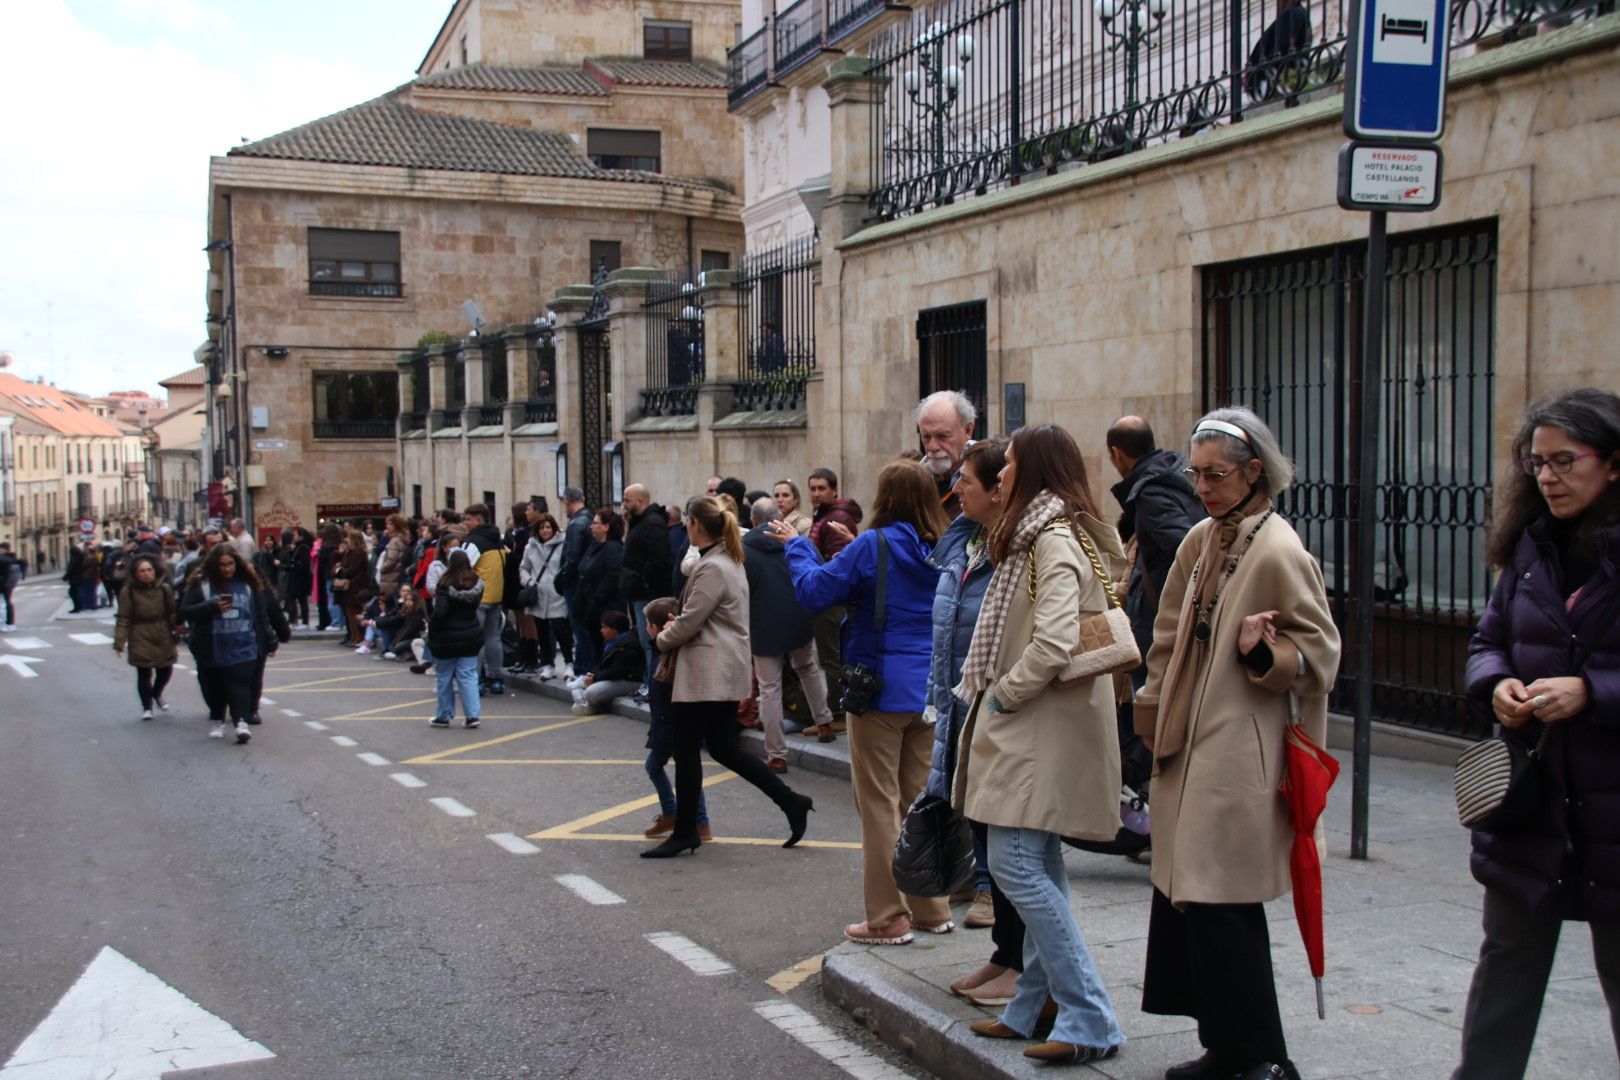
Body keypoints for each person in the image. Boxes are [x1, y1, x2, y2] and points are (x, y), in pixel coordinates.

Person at [1135, 406, 1342, 1080]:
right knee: (1194, 902)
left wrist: (1265, 653)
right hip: (1188, 744)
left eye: (1216, 474)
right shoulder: (1204, 536)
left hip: (1236, 751)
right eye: (1196, 474)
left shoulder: (1280, 549)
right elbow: (1168, 630)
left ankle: (1263, 1058)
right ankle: (1227, 1048)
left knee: (1223, 904)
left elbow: (1322, 654)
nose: (1203, 486)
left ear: (1256, 471)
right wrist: (1150, 704)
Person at [1451, 388, 1620, 1080]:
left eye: (1564, 461)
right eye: (1536, 463)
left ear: (1612, 463)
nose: (1547, 477)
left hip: (1613, 809)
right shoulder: (1530, 548)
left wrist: (1593, 692)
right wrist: (1497, 687)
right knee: (1507, 968)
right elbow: (1488, 640)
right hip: (1533, 802)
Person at [950, 425, 1127, 1064]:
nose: (999, 476)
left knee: (1017, 866)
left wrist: (1001, 696)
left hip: (1036, 727)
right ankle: (1031, 1008)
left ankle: (1091, 1018)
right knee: (1037, 862)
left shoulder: (1048, 538)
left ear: (1034, 474)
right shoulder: (1035, 536)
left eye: (1010, 466)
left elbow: (1052, 643)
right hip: (1041, 729)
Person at [770, 458, 950, 944]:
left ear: (884, 498)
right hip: (928, 689)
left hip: (879, 688)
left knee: (877, 804)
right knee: (920, 800)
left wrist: (798, 547)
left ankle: (888, 917)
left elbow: (813, 591)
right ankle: (932, 908)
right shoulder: (945, 544)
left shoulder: (874, 543)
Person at [641, 496, 815, 859]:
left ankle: (687, 830)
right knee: (722, 747)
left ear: (695, 526)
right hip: (721, 667)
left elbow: (691, 620)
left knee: (686, 748)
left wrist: (661, 638)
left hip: (709, 670)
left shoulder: (714, 566)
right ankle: (791, 801)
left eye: (688, 521)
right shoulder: (725, 560)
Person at [922, 439, 1018, 987]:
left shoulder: (1016, 553)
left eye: (967, 482)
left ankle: (1022, 964)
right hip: (959, 703)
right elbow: (947, 634)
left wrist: (999, 700)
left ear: (998, 489)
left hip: (994, 711)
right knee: (977, 816)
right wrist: (938, 698)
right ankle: (1005, 956)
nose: (955, 489)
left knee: (1016, 855)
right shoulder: (966, 544)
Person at [744, 497, 836, 772]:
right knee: (808, 668)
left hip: (762, 623)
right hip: (798, 617)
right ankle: (824, 723)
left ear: (753, 521)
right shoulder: (799, 542)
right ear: (780, 517)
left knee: (769, 688)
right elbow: (818, 571)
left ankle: (776, 754)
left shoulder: (743, 548)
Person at [181, 546, 284, 743]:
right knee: (215, 687)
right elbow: (186, 610)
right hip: (212, 645)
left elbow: (260, 614)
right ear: (214, 565)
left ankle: (241, 722)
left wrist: (270, 639)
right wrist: (212, 607)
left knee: (240, 685)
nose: (227, 569)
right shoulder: (202, 585)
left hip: (243, 644)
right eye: (222, 565)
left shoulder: (248, 584)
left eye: (230, 564)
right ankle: (218, 719)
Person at [640, 596, 711, 841]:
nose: (645, 627)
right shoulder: (660, 650)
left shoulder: (666, 653)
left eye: (647, 623)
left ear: (655, 627)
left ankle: (681, 815)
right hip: (667, 721)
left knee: (671, 768)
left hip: (670, 722)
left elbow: (664, 692)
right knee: (683, 769)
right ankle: (695, 820)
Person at [806, 467, 863, 738]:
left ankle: (838, 713)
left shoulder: (837, 517)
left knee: (831, 657)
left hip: (832, 599)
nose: (816, 494)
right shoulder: (825, 515)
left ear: (834, 490)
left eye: (821, 489)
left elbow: (839, 562)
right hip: (826, 595)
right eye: (813, 488)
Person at [620, 484, 673, 694]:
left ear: (640, 501)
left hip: (647, 594)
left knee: (650, 640)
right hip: (638, 592)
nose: (624, 504)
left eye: (627, 500)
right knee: (645, 640)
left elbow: (658, 561)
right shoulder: (640, 523)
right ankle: (649, 682)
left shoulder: (652, 524)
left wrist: (642, 581)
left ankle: (654, 685)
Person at [113, 553, 179, 721]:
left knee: (166, 668)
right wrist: (119, 641)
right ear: (135, 574)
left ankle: (157, 693)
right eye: (142, 571)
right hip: (140, 632)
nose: (146, 574)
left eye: (149, 570)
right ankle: (147, 706)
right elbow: (123, 617)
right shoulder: (128, 592)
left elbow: (172, 612)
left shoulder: (164, 589)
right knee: (144, 672)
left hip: (162, 631)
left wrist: (177, 628)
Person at [427, 550, 484, 729]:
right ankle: (472, 715)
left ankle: (444, 715)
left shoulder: (445, 583)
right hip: (470, 633)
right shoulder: (477, 583)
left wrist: (433, 628)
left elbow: (441, 612)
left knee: (444, 676)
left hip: (447, 636)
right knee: (468, 675)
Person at [460, 504, 507, 695]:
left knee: (475, 640)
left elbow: (462, 567)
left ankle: (476, 678)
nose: (465, 523)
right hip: (496, 595)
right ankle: (496, 678)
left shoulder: (474, 542)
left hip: (477, 597)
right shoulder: (498, 539)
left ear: (478, 520)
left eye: (468, 519)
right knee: (493, 638)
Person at [519, 512, 573, 678]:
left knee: (561, 631)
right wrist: (528, 581)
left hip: (557, 594)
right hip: (538, 595)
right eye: (542, 527)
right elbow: (524, 567)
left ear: (554, 528)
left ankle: (569, 663)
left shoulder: (563, 544)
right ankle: (547, 664)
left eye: (548, 527)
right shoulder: (531, 547)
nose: (545, 530)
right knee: (541, 632)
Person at [574, 508, 625, 679]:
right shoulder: (594, 547)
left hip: (605, 608)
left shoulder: (613, 548)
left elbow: (612, 577)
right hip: (591, 607)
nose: (591, 527)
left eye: (595, 523)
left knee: (605, 648)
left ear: (606, 527)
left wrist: (596, 599)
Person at [556, 487, 597, 675]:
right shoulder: (590, 518)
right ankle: (582, 667)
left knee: (579, 628)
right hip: (588, 581)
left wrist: (562, 579)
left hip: (576, 584)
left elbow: (572, 558)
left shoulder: (575, 524)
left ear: (567, 501)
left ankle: (585, 669)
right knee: (584, 628)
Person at [917, 390, 977, 517]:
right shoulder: (913, 484)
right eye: (926, 437)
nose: (932, 447)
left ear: (968, 430)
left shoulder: (989, 478)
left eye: (942, 436)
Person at [571, 609, 644, 715]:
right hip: (612, 678)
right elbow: (602, 664)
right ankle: (588, 704)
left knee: (590, 693)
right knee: (577, 687)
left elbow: (617, 671)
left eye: (605, 627)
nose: (601, 630)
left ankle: (593, 706)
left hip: (629, 681)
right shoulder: (610, 642)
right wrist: (593, 674)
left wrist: (596, 678)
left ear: (616, 629)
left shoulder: (627, 644)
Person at [331, 530, 371, 646]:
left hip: (355, 587)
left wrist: (340, 570)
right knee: (349, 614)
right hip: (349, 588)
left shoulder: (358, 553)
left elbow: (351, 570)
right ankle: (353, 636)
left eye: (349, 537)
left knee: (354, 613)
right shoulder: (350, 552)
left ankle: (358, 637)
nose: (346, 540)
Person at [377, 514, 411, 600]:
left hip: (390, 579)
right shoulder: (402, 539)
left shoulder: (394, 541)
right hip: (396, 577)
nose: (387, 526)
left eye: (390, 524)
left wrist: (382, 569)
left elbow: (392, 560)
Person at [284, 528, 313, 627]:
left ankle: (305, 621)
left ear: (301, 537)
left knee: (302, 600)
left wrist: (294, 566)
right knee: (292, 599)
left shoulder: (304, 548)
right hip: (295, 578)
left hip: (301, 579)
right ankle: (293, 620)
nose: (294, 537)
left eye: (296, 535)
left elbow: (303, 564)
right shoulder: (296, 547)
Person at [0, 541, 20, 631]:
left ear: (3, 549)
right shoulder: (13, 558)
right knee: (7, 603)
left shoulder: (3, 559)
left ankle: (3, 624)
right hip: (10, 584)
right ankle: (10, 623)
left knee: (2, 604)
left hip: (3, 584)